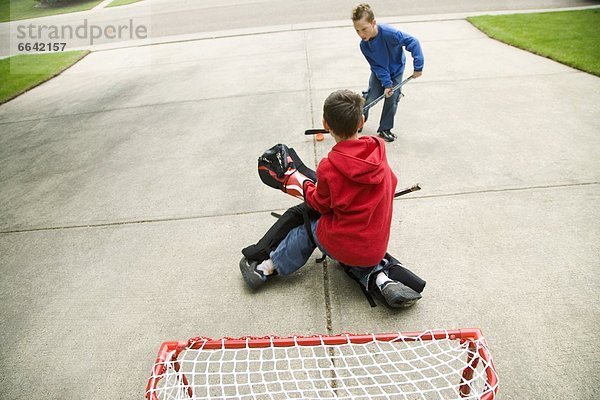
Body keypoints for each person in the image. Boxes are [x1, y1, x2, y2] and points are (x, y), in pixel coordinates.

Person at [239, 89, 422, 307]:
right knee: (358, 243)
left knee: (309, 228)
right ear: (361, 121)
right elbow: (391, 182)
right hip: (375, 247)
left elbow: (319, 204)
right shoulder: (378, 152)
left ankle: (267, 267)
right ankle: (381, 279)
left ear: (326, 125)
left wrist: (307, 187)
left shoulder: (330, 166)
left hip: (343, 243)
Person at [352, 3, 424, 142]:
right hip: (379, 73)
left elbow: (413, 42)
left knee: (392, 99)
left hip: (396, 71)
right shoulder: (364, 45)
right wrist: (386, 84)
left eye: (364, 29)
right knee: (372, 97)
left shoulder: (390, 34)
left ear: (373, 23)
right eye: (357, 30)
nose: (361, 34)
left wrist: (418, 67)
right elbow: (377, 66)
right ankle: (360, 117)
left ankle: (385, 129)